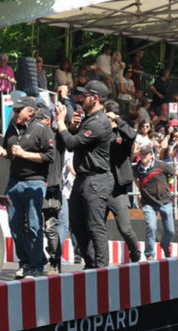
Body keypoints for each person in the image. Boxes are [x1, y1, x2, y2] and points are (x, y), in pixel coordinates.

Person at [0, 96, 55, 277]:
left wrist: (25, 154)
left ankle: (36, 266)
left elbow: (50, 157)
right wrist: (1, 153)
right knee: (15, 224)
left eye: (20, 110)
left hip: (35, 181)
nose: (16, 113)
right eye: (15, 110)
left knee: (34, 225)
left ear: (31, 111)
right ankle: (25, 262)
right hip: (14, 181)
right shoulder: (12, 127)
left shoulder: (42, 129)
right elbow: (9, 152)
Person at [55, 80, 114, 269]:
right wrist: (71, 126)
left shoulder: (99, 122)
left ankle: (101, 268)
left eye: (85, 95)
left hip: (96, 179)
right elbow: (72, 138)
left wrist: (60, 122)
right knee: (77, 224)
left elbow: (71, 144)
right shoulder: (89, 119)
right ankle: (90, 265)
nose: (81, 98)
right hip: (82, 178)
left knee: (95, 225)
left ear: (95, 98)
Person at [134, 145, 178, 259]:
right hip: (148, 202)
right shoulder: (137, 169)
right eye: (141, 153)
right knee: (151, 226)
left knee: (170, 230)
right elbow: (135, 179)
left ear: (151, 154)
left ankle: (165, 245)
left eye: (146, 153)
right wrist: (140, 191)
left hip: (165, 201)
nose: (143, 155)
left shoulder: (162, 165)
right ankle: (149, 254)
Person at [104, 100, 142, 262]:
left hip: (118, 188)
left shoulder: (123, 133)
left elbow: (132, 135)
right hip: (100, 185)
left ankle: (135, 254)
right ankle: (99, 261)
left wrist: (117, 120)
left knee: (125, 228)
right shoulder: (100, 131)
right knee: (96, 227)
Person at [35, 103, 65, 274]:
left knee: (50, 228)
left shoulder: (57, 137)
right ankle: (39, 258)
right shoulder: (32, 136)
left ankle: (55, 262)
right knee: (29, 226)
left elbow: (68, 133)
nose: (36, 123)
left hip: (51, 189)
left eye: (39, 119)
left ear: (48, 120)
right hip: (34, 186)